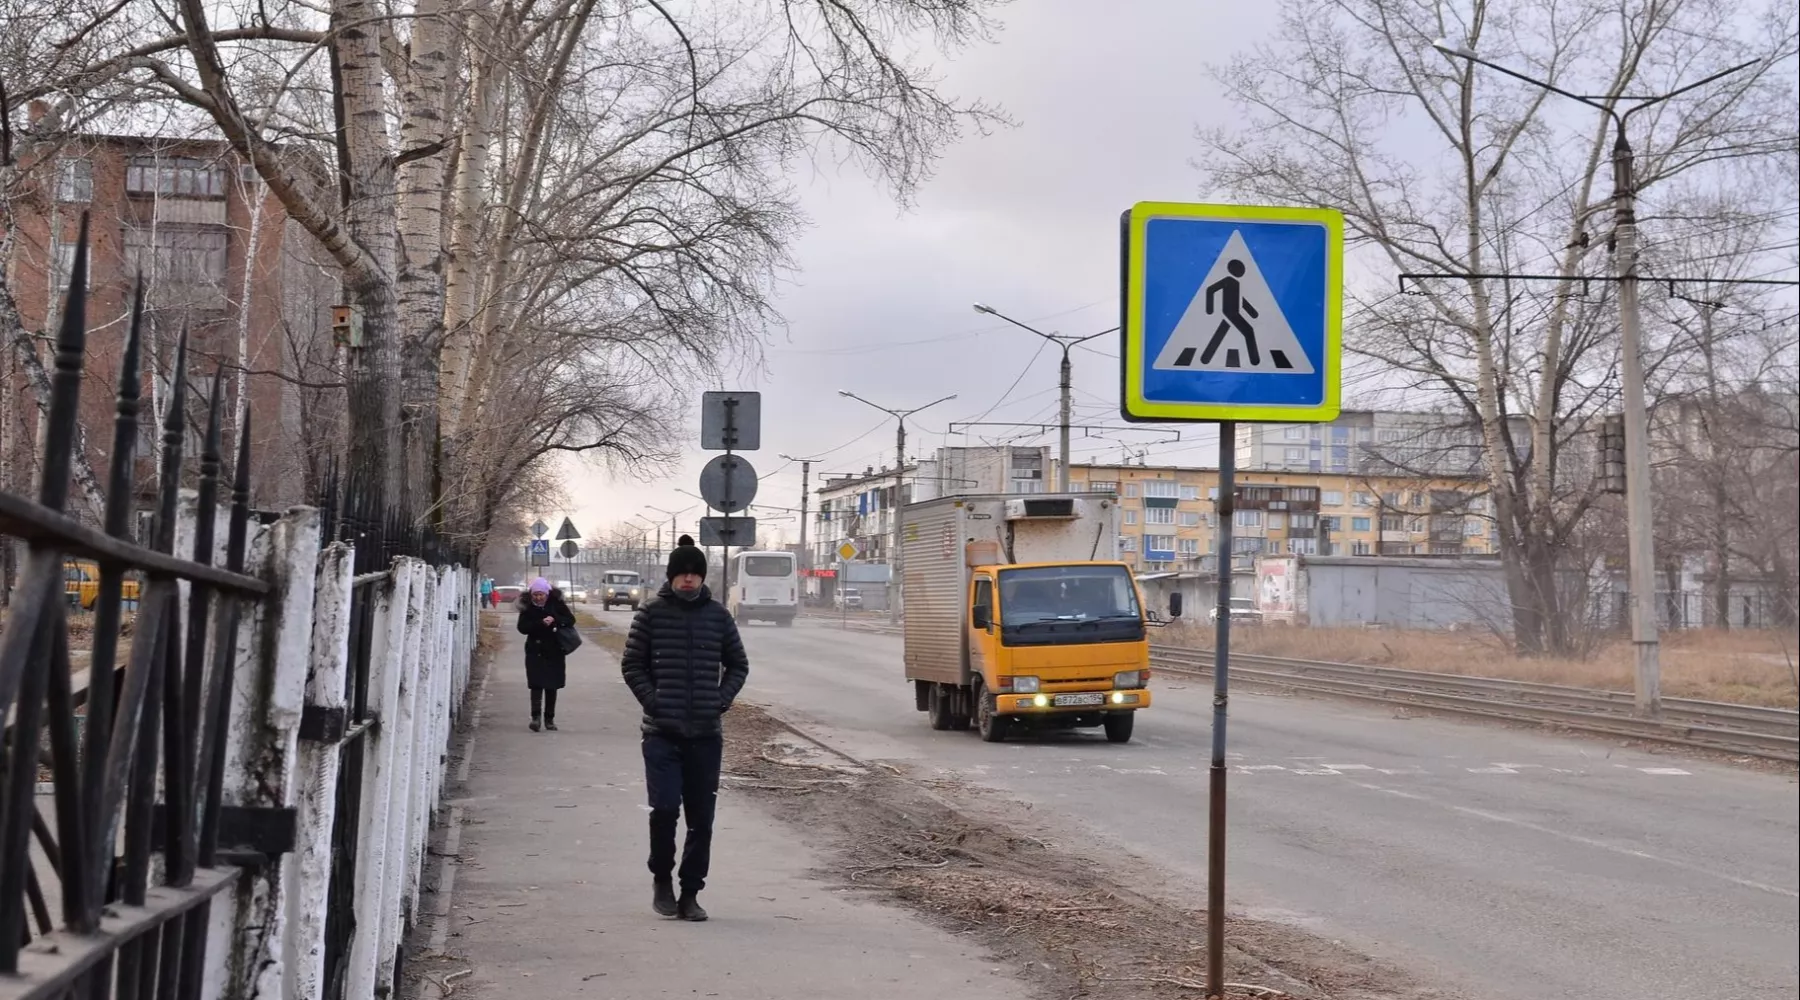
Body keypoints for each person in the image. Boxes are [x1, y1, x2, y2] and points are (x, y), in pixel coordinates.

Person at [619, 535, 749, 922]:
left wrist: (720, 700)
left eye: (695, 574)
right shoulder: (651, 613)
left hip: (706, 735)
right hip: (661, 732)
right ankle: (662, 878)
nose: (689, 580)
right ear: (672, 577)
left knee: (701, 819)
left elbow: (739, 664)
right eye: (683, 574)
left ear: (702, 577)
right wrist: (655, 702)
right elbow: (632, 666)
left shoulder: (718, 617)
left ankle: (690, 892)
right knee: (663, 809)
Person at [515, 577, 574, 732]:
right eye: (536, 595)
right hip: (535, 651)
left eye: (541, 595)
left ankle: (549, 719)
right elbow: (522, 627)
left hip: (554, 650)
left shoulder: (556, 604)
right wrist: (540, 624)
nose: (538, 598)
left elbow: (570, 620)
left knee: (551, 686)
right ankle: (535, 718)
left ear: (547, 594)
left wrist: (555, 620)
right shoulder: (528, 607)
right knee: (536, 684)